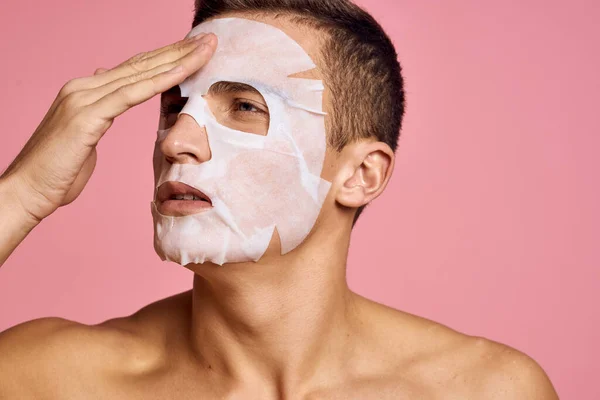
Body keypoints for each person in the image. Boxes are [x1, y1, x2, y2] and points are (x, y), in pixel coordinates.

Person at [0, 0, 559, 398]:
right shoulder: (49, 380)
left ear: (360, 175)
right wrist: (21, 195)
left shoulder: (486, 390)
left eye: (245, 107)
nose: (176, 140)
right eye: (175, 107)